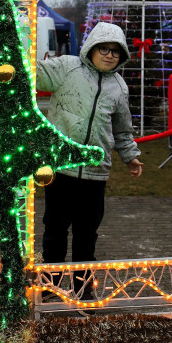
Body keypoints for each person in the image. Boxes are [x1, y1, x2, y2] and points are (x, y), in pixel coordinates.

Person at [37, 21, 143, 299]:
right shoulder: (67, 68)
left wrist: (130, 156)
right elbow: (34, 74)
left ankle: (83, 289)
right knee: (55, 229)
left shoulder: (119, 87)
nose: (109, 55)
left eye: (115, 51)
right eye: (103, 49)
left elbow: (122, 128)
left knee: (87, 233)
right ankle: (50, 286)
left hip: (96, 173)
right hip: (61, 168)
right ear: (91, 48)